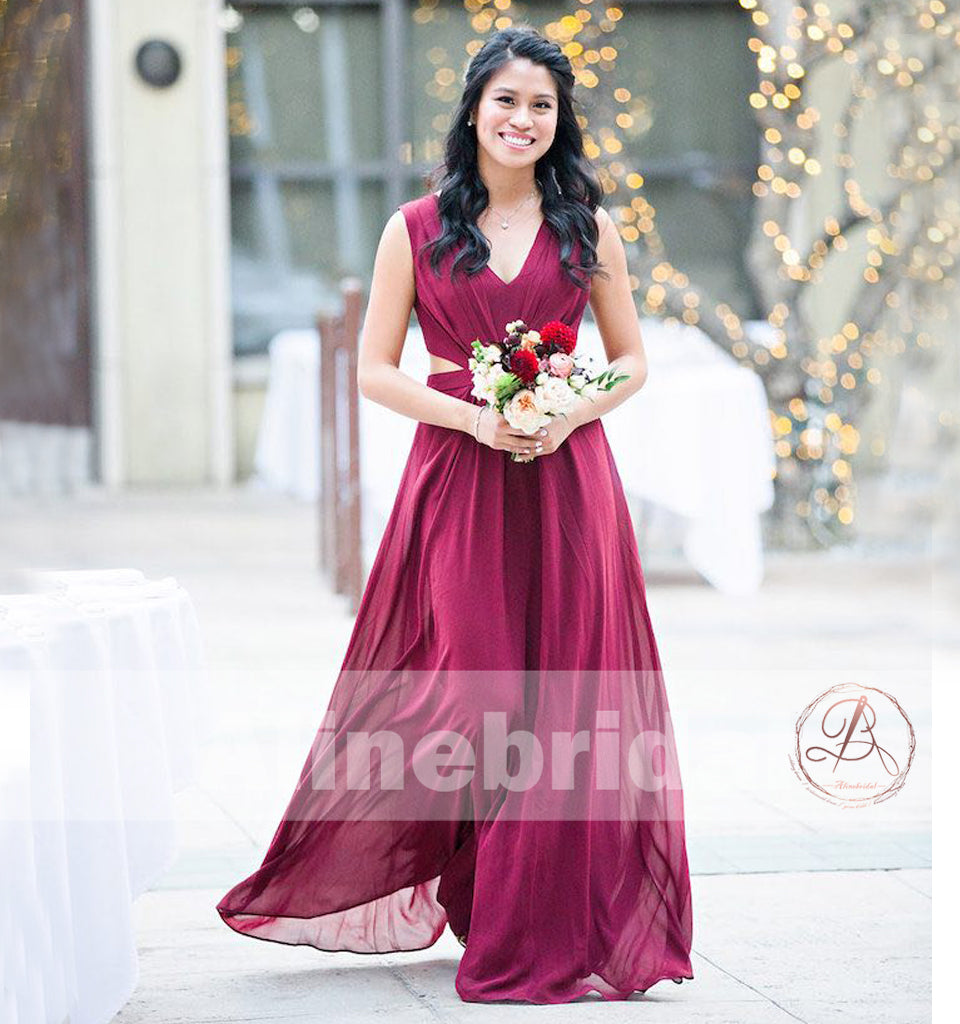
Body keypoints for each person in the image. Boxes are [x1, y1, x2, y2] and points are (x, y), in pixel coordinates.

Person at [216, 25, 694, 1004]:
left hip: (568, 484)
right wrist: (477, 418)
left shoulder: (588, 230)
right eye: (506, 100)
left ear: (559, 122)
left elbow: (631, 360)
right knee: (480, 700)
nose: (523, 119)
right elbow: (375, 369)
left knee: (563, 703)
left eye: (541, 106)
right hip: (457, 481)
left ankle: (538, 928)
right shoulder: (416, 227)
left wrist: (567, 413)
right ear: (474, 110)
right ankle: (480, 885)